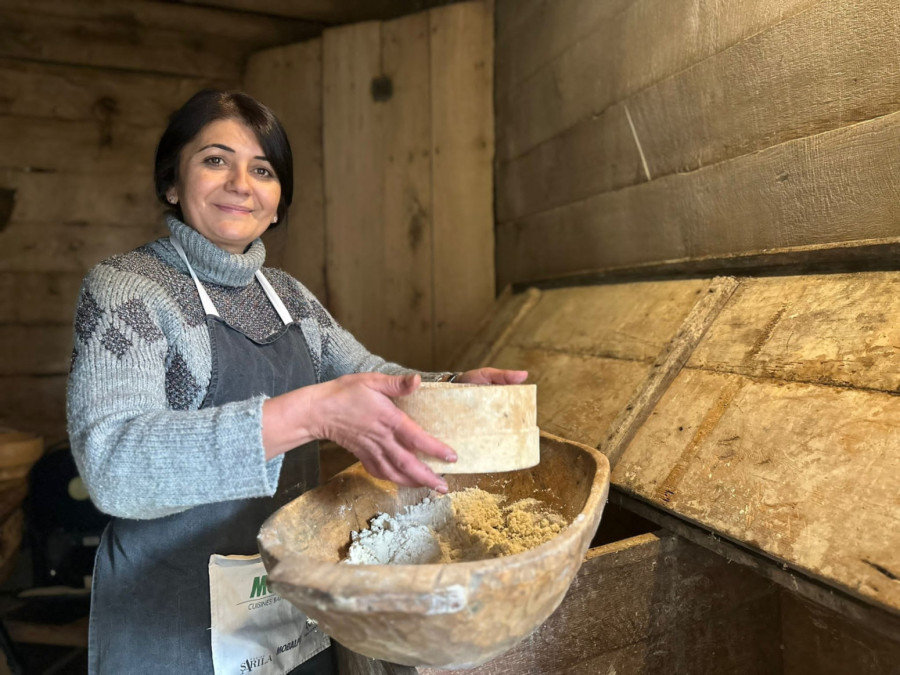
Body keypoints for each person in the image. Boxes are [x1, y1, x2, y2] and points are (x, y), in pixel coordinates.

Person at [65, 89, 527, 674]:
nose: (241, 182)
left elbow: (373, 379)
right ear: (172, 184)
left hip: (287, 604)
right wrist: (307, 415)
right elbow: (113, 466)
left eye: (262, 169)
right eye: (214, 160)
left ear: (278, 202)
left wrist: (457, 387)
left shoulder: (287, 299)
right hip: (173, 619)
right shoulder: (127, 290)